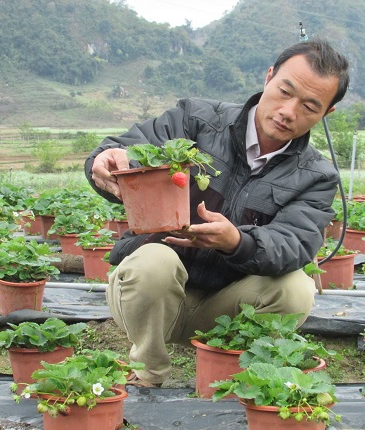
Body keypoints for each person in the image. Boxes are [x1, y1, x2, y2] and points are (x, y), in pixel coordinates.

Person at [85, 37, 349, 387]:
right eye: (285, 91)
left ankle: (233, 372)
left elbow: (295, 244)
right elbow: (130, 147)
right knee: (153, 262)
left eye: (310, 106)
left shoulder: (317, 176)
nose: (289, 111)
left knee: (296, 289)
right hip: (152, 298)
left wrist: (237, 241)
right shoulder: (196, 120)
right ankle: (148, 373)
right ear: (268, 76)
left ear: (326, 113)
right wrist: (104, 159)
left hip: (225, 308)